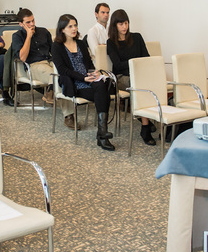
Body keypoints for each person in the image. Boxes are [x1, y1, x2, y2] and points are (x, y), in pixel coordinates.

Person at [52, 14, 115, 151]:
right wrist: (83, 78)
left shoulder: (80, 43)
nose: (74, 29)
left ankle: (102, 133)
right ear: (62, 29)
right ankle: (102, 135)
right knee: (102, 91)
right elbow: (63, 70)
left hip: (87, 79)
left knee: (102, 85)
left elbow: (88, 64)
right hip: (74, 82)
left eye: (75, 25)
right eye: (70, 26)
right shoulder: (57, 46)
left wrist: (94, 72)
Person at [106, 9, 155, 146]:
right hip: (121, 78)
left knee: (149, 83)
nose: (124, 27)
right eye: (121, 24)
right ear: (115, 26)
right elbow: (118, 65)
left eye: (126, 23)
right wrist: (134, 62)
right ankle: (145, 127)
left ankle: (150, 119)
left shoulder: (137, 37)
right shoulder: (111, 42)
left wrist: (137, 65)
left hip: (139, 75)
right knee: (141, 85)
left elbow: (146, 58)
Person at [9, 9, 64, 121]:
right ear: (21, 24)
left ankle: (51, 90)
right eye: (28, 22)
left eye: (33, 20)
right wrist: (28, 36)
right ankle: (52, 92)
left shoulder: (43, 32)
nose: (32, 24)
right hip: (34, 65)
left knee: (64, 72)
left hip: (49, 61)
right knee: (54, 76)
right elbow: (23, 57)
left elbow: (53, 51)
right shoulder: (17, 36)